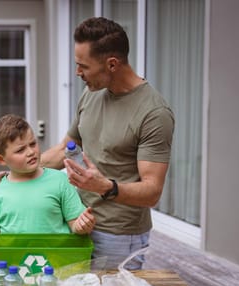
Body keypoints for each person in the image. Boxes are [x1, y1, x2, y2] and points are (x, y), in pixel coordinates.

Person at [39, 17, 175, 269]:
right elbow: (63, 150)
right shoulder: (91, 93)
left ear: (112, 64)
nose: (77, 73)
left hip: (118, 236)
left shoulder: (154, 113)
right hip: (78, 222)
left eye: (83, 66)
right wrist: (13, 173)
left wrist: (105, 187)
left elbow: (152, 191)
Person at [0, 114, 96, 253]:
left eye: (33, 144)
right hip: (14, 268)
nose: (31, 152)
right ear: (1, 159)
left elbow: (75, 223)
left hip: (57, 266)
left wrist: (82, 226)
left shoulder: (60, 181)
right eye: (20, 150)